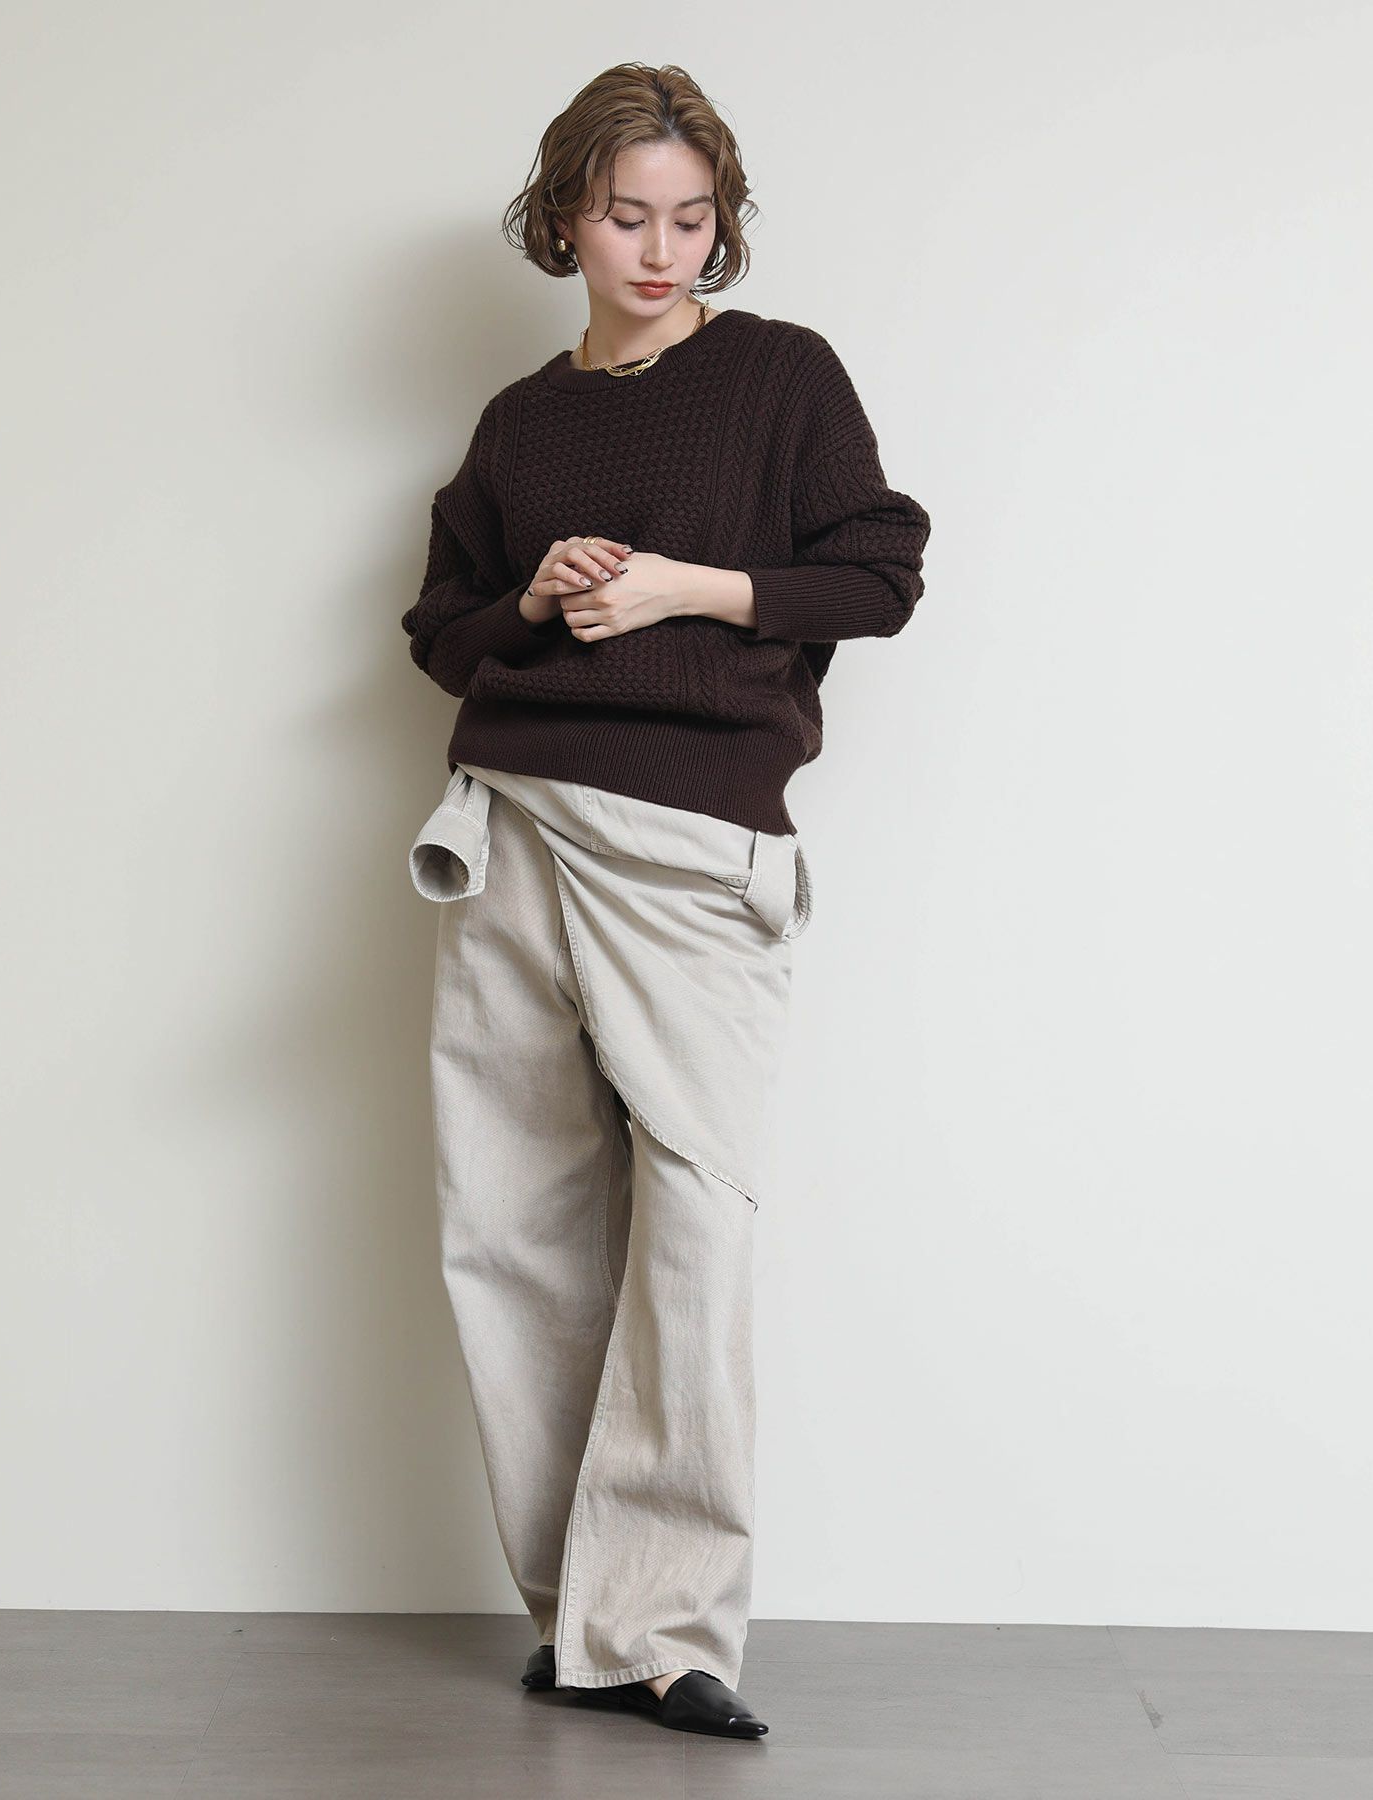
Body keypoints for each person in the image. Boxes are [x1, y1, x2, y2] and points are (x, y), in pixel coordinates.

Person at [402, 60, 931, 1741]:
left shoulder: (780, 377)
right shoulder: (521, 424)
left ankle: (668, 1628)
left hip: (694, 843)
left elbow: (881, 570)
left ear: (723, 227)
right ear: (564, 220)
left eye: (692, 221)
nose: (659, 250)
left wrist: (681, 589)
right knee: (514, 1228)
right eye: (627, 217)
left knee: (696, 1223)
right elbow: (438, 632)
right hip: (512, 829)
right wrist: (538, 600)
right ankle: (583, 1620)